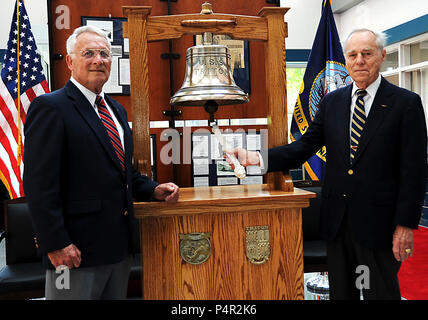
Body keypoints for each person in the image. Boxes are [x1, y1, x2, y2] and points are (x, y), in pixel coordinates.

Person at [227, 29, 427, 300]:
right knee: (342, 294)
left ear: (381, 56)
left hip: (379, 227)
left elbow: (413, 171)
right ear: (345, 59)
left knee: (374, 293)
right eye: (352, 55)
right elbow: (303, 147)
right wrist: (257, 158)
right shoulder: (333, 102)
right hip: (338, 224)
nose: (359, 61)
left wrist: (405, 226)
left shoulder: (405, 104)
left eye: (367, 54)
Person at [23, 25, 179, 300]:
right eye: (89, 53)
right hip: (72, 254)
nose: (99, 60)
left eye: (105, 54)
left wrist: (153, 189)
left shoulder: (116, 110)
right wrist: (57, 243)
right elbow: (39, 184)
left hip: (117, 251)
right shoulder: (51, 107)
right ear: (70, 61)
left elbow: (122, 173)